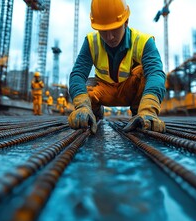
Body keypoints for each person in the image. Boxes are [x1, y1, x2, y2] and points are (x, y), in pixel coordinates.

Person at [68, 0, 166, 134]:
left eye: (114, 29)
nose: (109, 37)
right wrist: (81, 106)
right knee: (86, 88)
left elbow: (156, 73)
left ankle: (141, 113)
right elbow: (78, 74)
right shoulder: (91, 42)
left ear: (126, 22)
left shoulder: (143, 42)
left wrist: (150, 110)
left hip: (130, 91)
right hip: (104, 92)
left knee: (144, 73)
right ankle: (93, 113)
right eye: (103, 30)